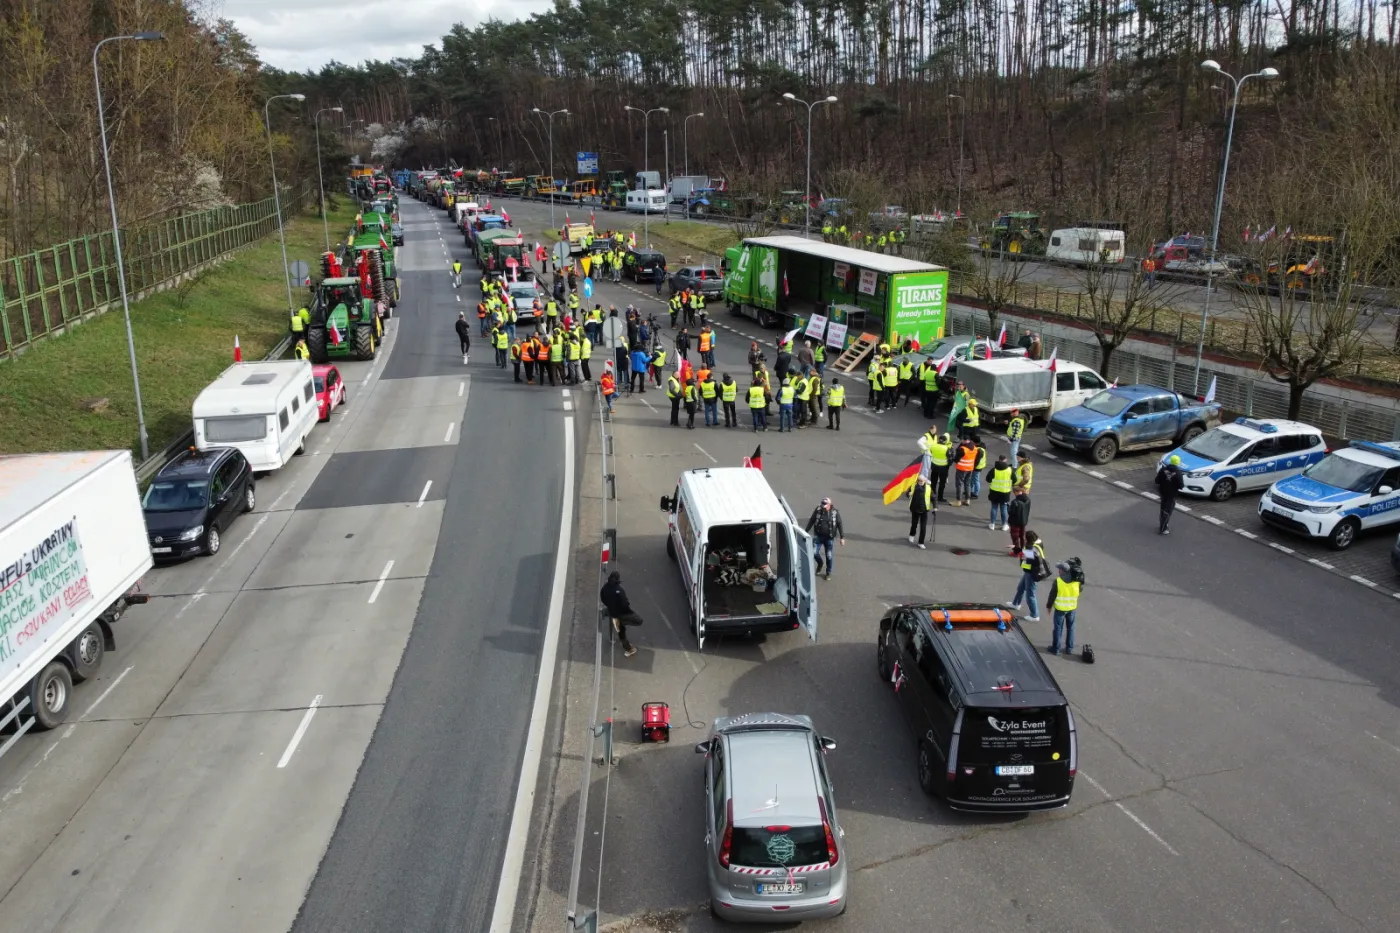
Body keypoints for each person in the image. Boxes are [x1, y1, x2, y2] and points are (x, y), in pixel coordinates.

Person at [599, 571, 642, 658]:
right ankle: (624, 622)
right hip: (622, 613)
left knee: (621, 632)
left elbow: (602, 598)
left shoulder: (605, 587)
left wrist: (610, 606)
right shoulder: (619, 590)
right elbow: (624, 603)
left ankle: (628, 649)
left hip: (613, 613)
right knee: (639, 620)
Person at [1006, 531, 1046, 622]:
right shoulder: (1037, 544)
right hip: (1029, 572)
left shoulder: (1033, 549)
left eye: (1025, 537)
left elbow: (1027, 556)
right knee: (1020, 588)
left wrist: (1019, 552)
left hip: (1032, 573)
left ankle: (1034, 615)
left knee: (1030, 595)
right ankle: (1016, 604)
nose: (1024, 538)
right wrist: (1016, 548)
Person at [1046, 561, 1082, 655]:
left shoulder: (1058, 581)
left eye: (1059, 569)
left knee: (1058, 629)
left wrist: (1049, 606)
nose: (1058, 571)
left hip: (1060, 609)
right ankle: (1069, 649)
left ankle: (1056, 648)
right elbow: (1080, 590)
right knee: (1071, 628)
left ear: (1062, 571)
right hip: (1072, 608)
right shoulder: (1076, 581)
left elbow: (1052, 595)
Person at [804, 497, 845, 578]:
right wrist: (805, 531)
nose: (824, 507)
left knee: (829, 555)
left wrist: (842, 537)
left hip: (829, 538)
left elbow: (839, 524)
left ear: (829, 504)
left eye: (825, 505)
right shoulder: (818, 510)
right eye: (823, 505)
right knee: (814, 552)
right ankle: (820, 563)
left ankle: (828, 572)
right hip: (818, 536)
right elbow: (812, 520)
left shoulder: (834, 512)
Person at [1156, 454, 1186, 534]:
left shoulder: (1163, 470)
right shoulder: (1178, 473)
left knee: (1162, 509)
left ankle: (1162, 524)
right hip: (1172, 495)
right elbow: (1181, 486)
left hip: (1162, 492)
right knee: (1168, 511)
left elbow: (1157, 481)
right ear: (1178, 463)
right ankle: (1163, 528)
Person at [986, 454, 1014, 530]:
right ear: (1006, 460)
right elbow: (1015, 480)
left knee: (994, 508)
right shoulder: (1009, 470)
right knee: (1004, 508)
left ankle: (992, 524)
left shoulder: (993, 470)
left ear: (999, 460)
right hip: (1005, 493)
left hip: (994, 492)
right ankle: (1004, 525)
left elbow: (988, 479)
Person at [908, 476, 935, 549]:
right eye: (919, 480)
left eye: (921, 481)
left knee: (923, 528)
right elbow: (907, 493)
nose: (920, 482)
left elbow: (933, 498)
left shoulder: (929, 488)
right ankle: (912, 535)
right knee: (914, 524)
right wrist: (909, 494)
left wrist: (935, 507)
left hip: (924, 510)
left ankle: (921, 542)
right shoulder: (913, 486)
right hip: (915, 509)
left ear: (925, 481)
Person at [1006, 486, 1032, 553]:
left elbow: (1011, 512)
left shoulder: (1015, 502)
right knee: (1023, 537)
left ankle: (1016, 552)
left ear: (1015, 492)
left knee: (1015, 538)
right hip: (1023, 521)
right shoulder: (1028, 500)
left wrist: (1008, 508)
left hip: (1015, 523)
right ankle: (1024, 550)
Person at [953, 436, 977, 506]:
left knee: (959, 484)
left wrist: (961, 445)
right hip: (970, 468)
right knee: (967, 484)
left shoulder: (962, 449)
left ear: (964, 440)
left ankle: (958, 501)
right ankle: (967, 500)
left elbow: (956, 459)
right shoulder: (974, 447)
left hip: (962, 468)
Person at [928, 432, 952, 502]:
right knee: (942, 483)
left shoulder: (933, 446)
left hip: (934, 466)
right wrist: (948, 465)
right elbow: (950, 458)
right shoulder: (947, 448)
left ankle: (932, 496)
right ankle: (940, 497)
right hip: (944, 468)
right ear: (945, 441)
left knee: (933, 482)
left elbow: (931, 454)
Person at [970, 434, 987, 499]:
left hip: (977, 467)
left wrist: (973, 467)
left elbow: (976, 460)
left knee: (975, 480)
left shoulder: (978, 450)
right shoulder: (981, 446)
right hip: (979, 466)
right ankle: (971, 491)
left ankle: (975, 493)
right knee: (973, 479)